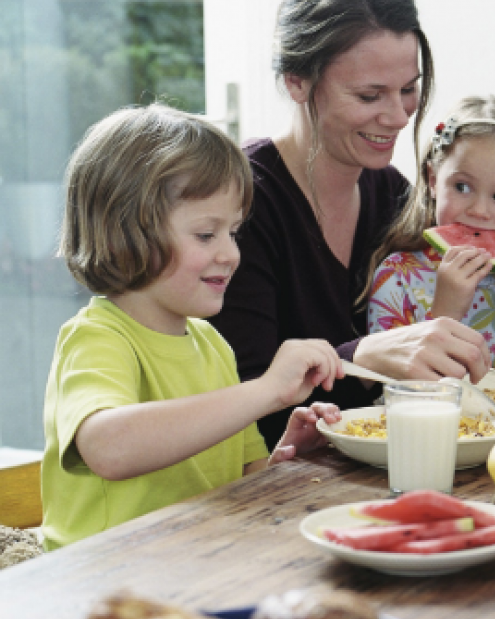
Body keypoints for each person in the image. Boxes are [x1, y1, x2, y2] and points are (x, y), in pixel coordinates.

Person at [43, 104, 345, 550]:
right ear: (124, 233)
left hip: (195, 563)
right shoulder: (97, 338)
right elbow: (109, 448)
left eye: (234, 233)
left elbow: (240, 478)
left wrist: (288, 457)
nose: (231, 254)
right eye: (207, 235)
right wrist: (266, 391)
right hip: (105, 581)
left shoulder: (212, 344)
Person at [210, 0, 491, 448]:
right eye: (369, 96)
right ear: (297, 81)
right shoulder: (238, 204)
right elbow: (244, 405)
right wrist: (364, 356)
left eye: (408, 90)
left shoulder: (394, 195)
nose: (399, 116)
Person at [361, 95, 495, 372]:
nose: (479, 211)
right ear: (433, 180)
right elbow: (390, 386)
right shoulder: (398, 276)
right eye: (462, 187)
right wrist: (446, 312)